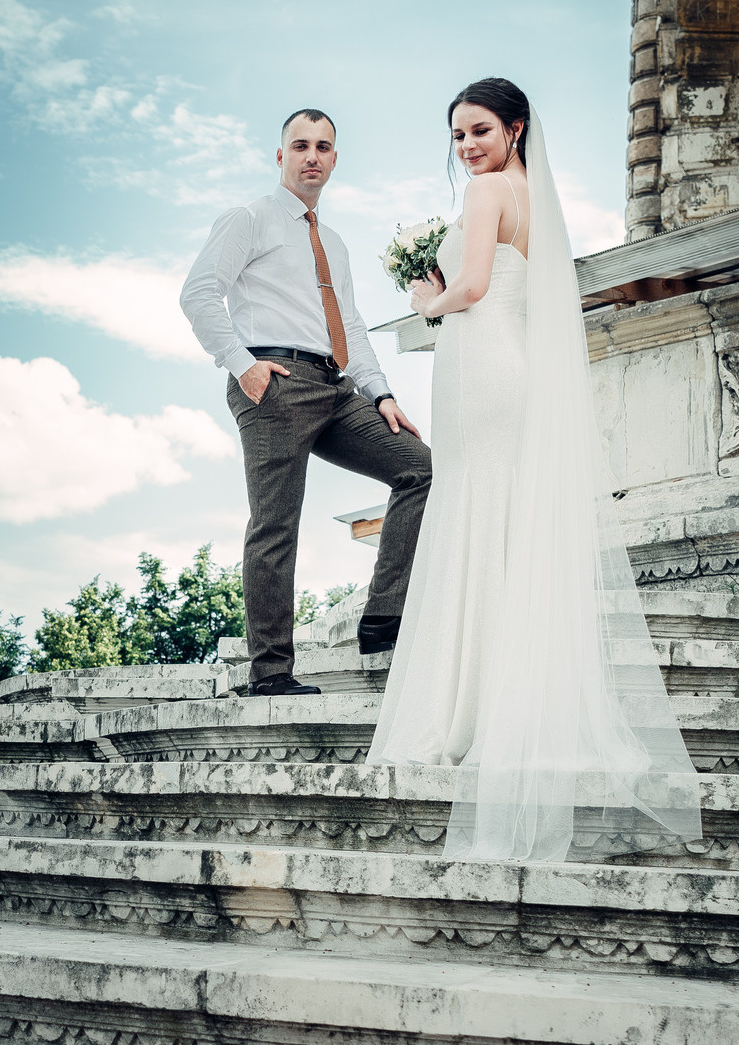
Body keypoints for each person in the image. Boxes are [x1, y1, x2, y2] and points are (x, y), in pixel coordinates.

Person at [365, 79, 701, 863]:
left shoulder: (486, 191)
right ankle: (500, 699)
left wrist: (425, 296)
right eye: (456, 135)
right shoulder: (529, 195)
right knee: (498, 517)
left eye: (479, 129)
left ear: (514, 129)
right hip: (505, 367)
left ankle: (464, 705)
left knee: (476, 510)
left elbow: (473, 288)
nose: (468, 146)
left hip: (482, 365)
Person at [179, 109, 432, 698]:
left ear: (335, 159)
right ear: (280, 157)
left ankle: (383, 615)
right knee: (275, 526)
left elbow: (351, 324)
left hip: (335, 386)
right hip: (275, 382)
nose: (311, 156)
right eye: (300, 145)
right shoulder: (250, 219)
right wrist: (243, 367)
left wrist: (382, 393)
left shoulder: (335, 243)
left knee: (419, 468)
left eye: (322, 147)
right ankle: (270, 675)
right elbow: (198, 294)